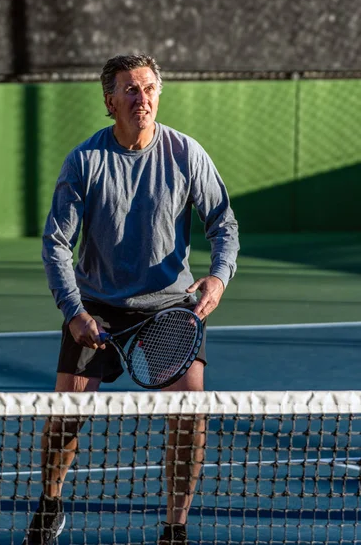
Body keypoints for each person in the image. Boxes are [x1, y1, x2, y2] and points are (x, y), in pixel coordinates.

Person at [22, 54, 239, 545]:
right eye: (130, 90)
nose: (141, 99)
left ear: (158, 94)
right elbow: (57, 242)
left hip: (169, 308)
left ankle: (174, 528)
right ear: (110, 101)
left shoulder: (187, 154)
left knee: (189, 415)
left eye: (148, 88)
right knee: (66, 415)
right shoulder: (85, 160)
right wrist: (73, 311)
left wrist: (219, 278)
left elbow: (223, 224)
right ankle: (51, 501)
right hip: (96, 309)